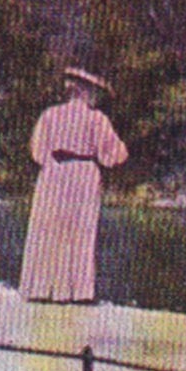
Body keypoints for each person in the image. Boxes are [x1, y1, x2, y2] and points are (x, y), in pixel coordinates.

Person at [18, 68, 128, 303]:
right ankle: (76, 291)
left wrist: (51, 165)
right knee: (79, 231)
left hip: (54, 172)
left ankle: (40, 287)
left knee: (48, 228)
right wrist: (101, 160)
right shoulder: (97, 119)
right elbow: (117, 154)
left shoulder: (49, 115)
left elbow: (37, 150)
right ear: (86, 92)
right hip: (84, 174)